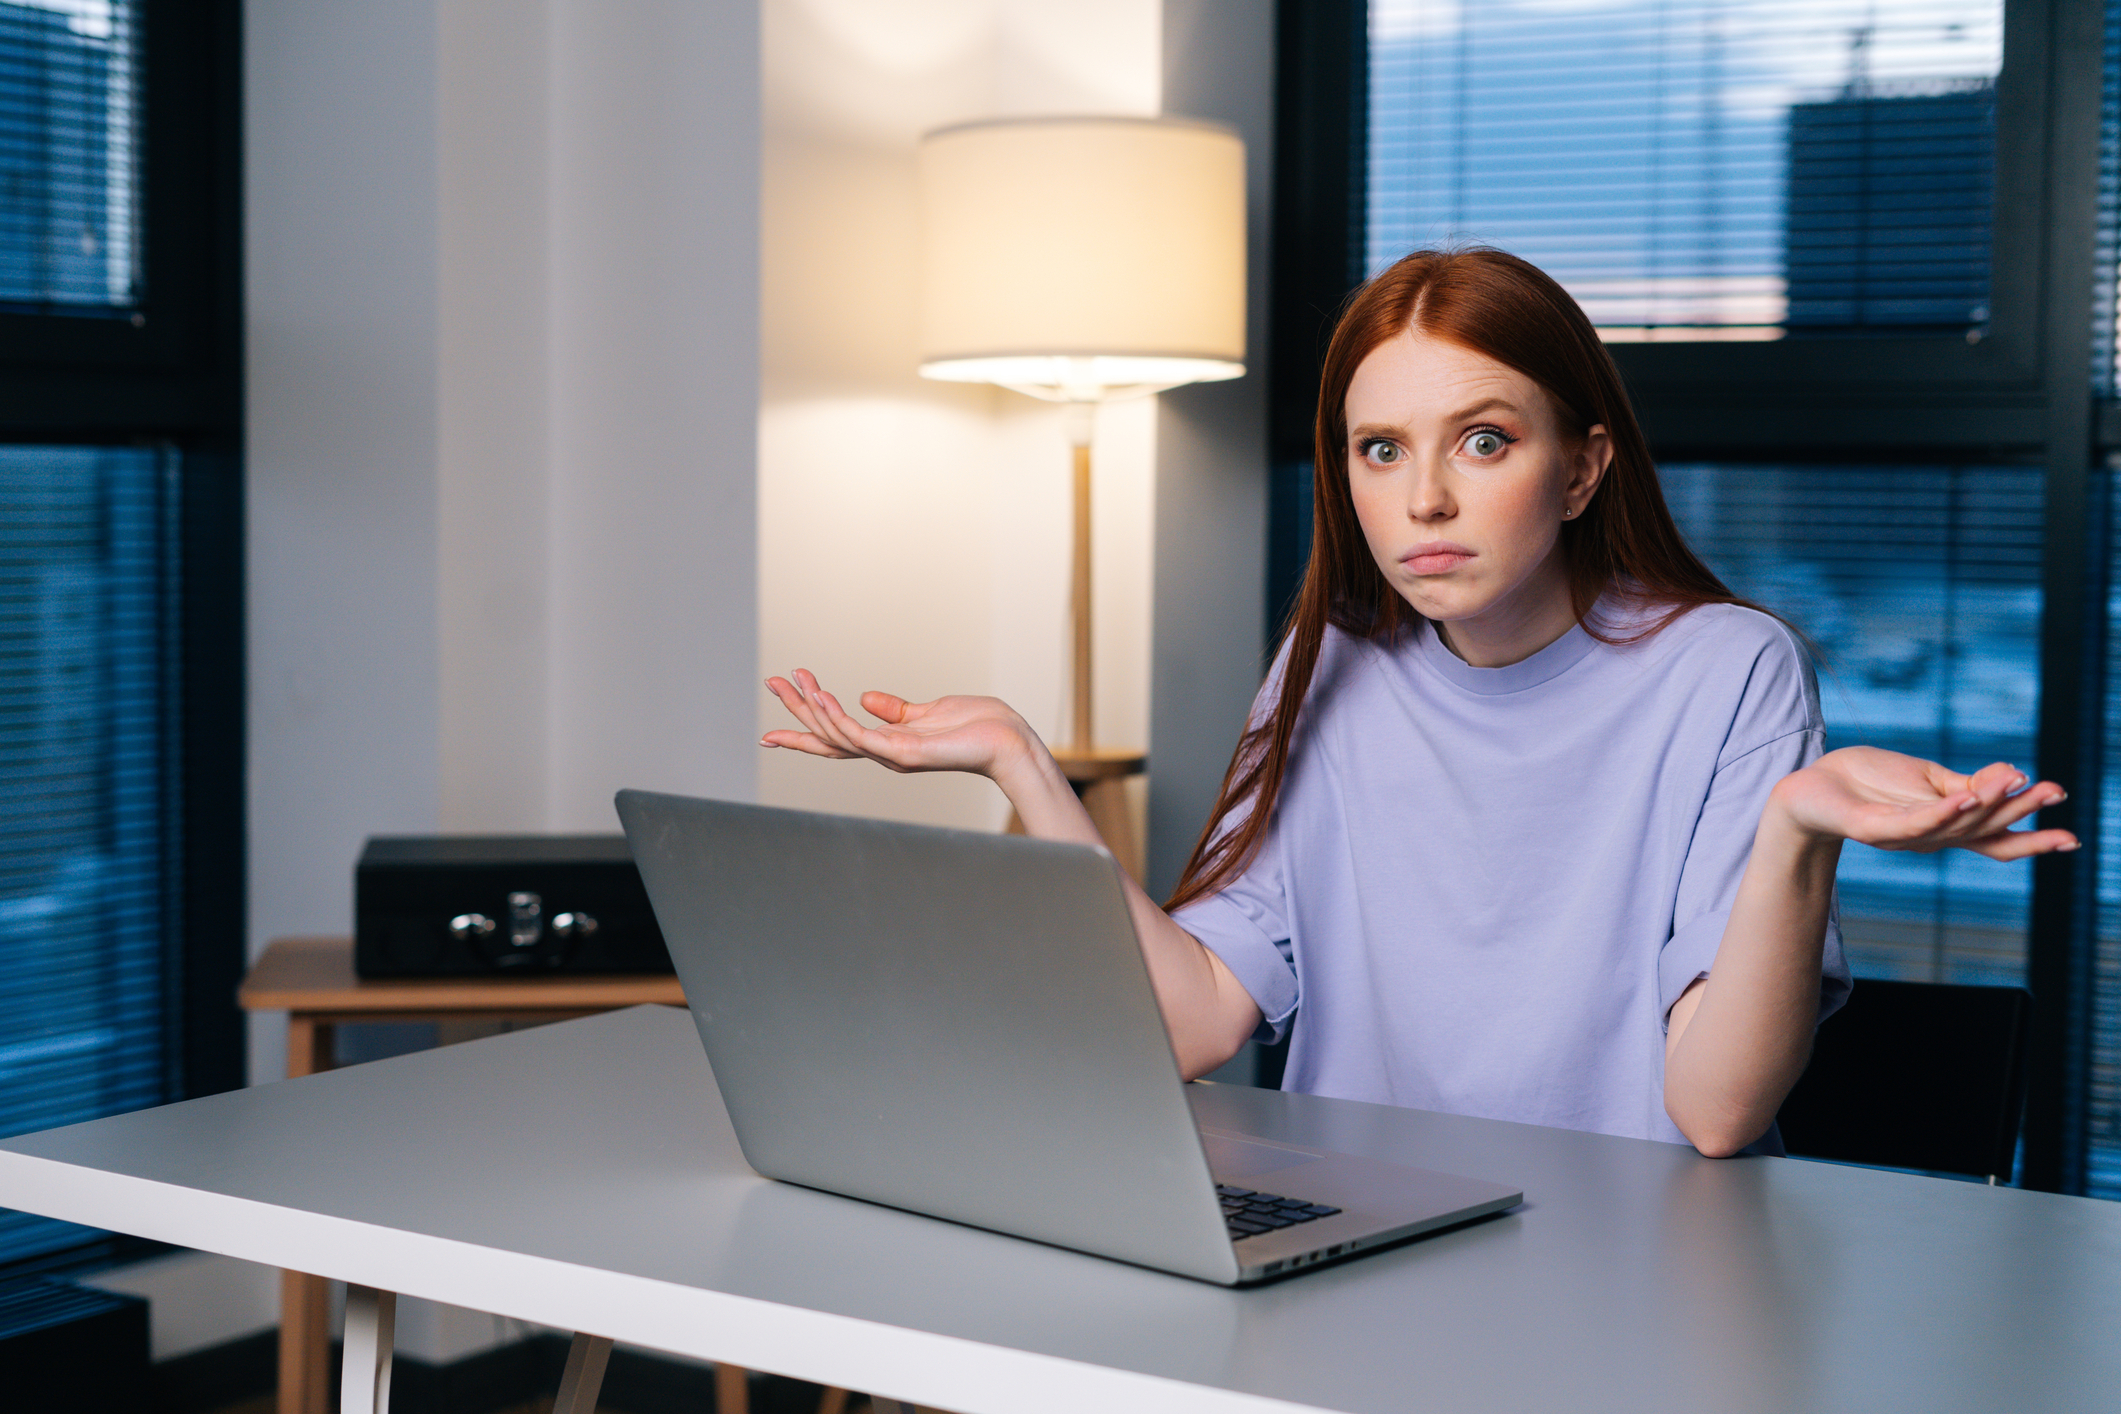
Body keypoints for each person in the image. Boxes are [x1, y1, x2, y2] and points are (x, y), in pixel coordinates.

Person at [761, 247, 2074, 1158]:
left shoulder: (1725, 666)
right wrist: (1022, 767)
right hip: (1355, 1244)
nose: (1423, 499)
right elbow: (1188, 1023)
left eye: (1483, 440)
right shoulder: (1327, 662)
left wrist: (1798, 829)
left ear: (1578, 468)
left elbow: (1718, 1112)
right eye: (1379, 449)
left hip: (1627, 1263)